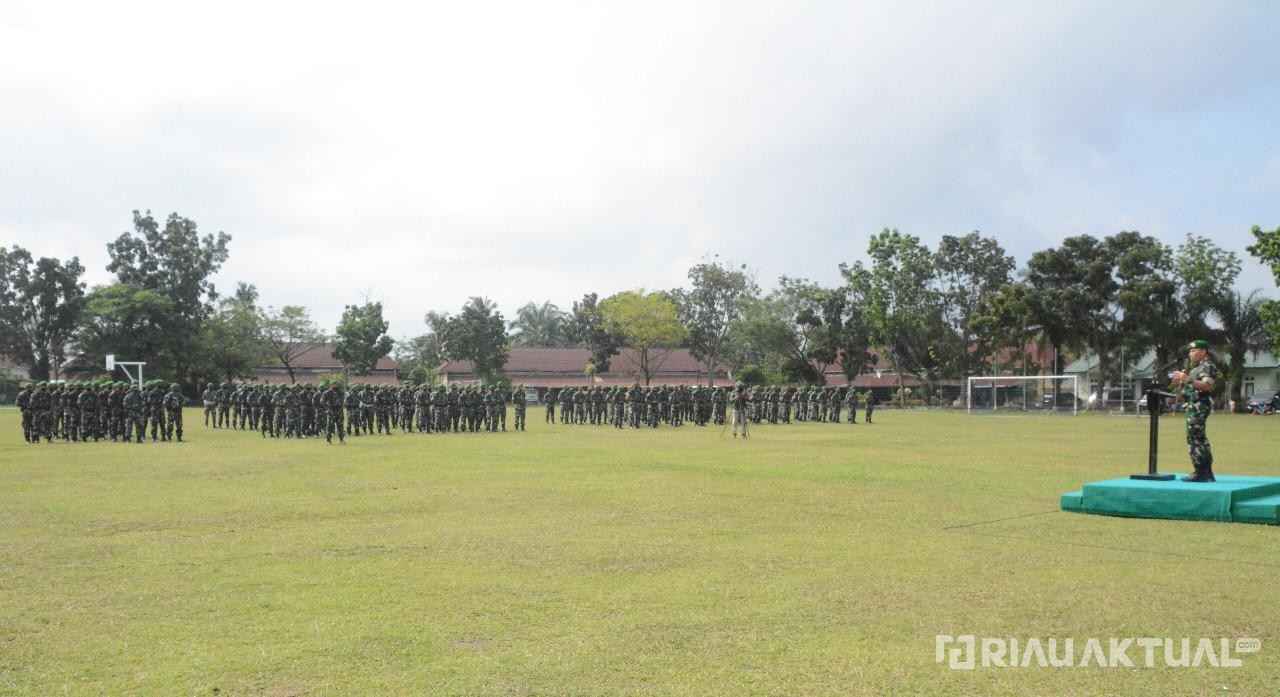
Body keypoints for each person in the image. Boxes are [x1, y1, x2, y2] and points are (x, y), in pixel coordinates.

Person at [1172, 339, 1218, 482]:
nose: (1190, 354)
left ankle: (1200, 471)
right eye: (1190, 351)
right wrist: (1181, 381)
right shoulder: (1196, 368)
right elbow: (1190, 385)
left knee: (1195, 438)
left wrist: (1188, 379)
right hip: (1192, 405)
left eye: (1193, 351)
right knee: (1198, 437)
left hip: (1199, 405)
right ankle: (1206, 472)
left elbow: (1207, 386)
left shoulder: (1208, 366)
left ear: (1203, 351)